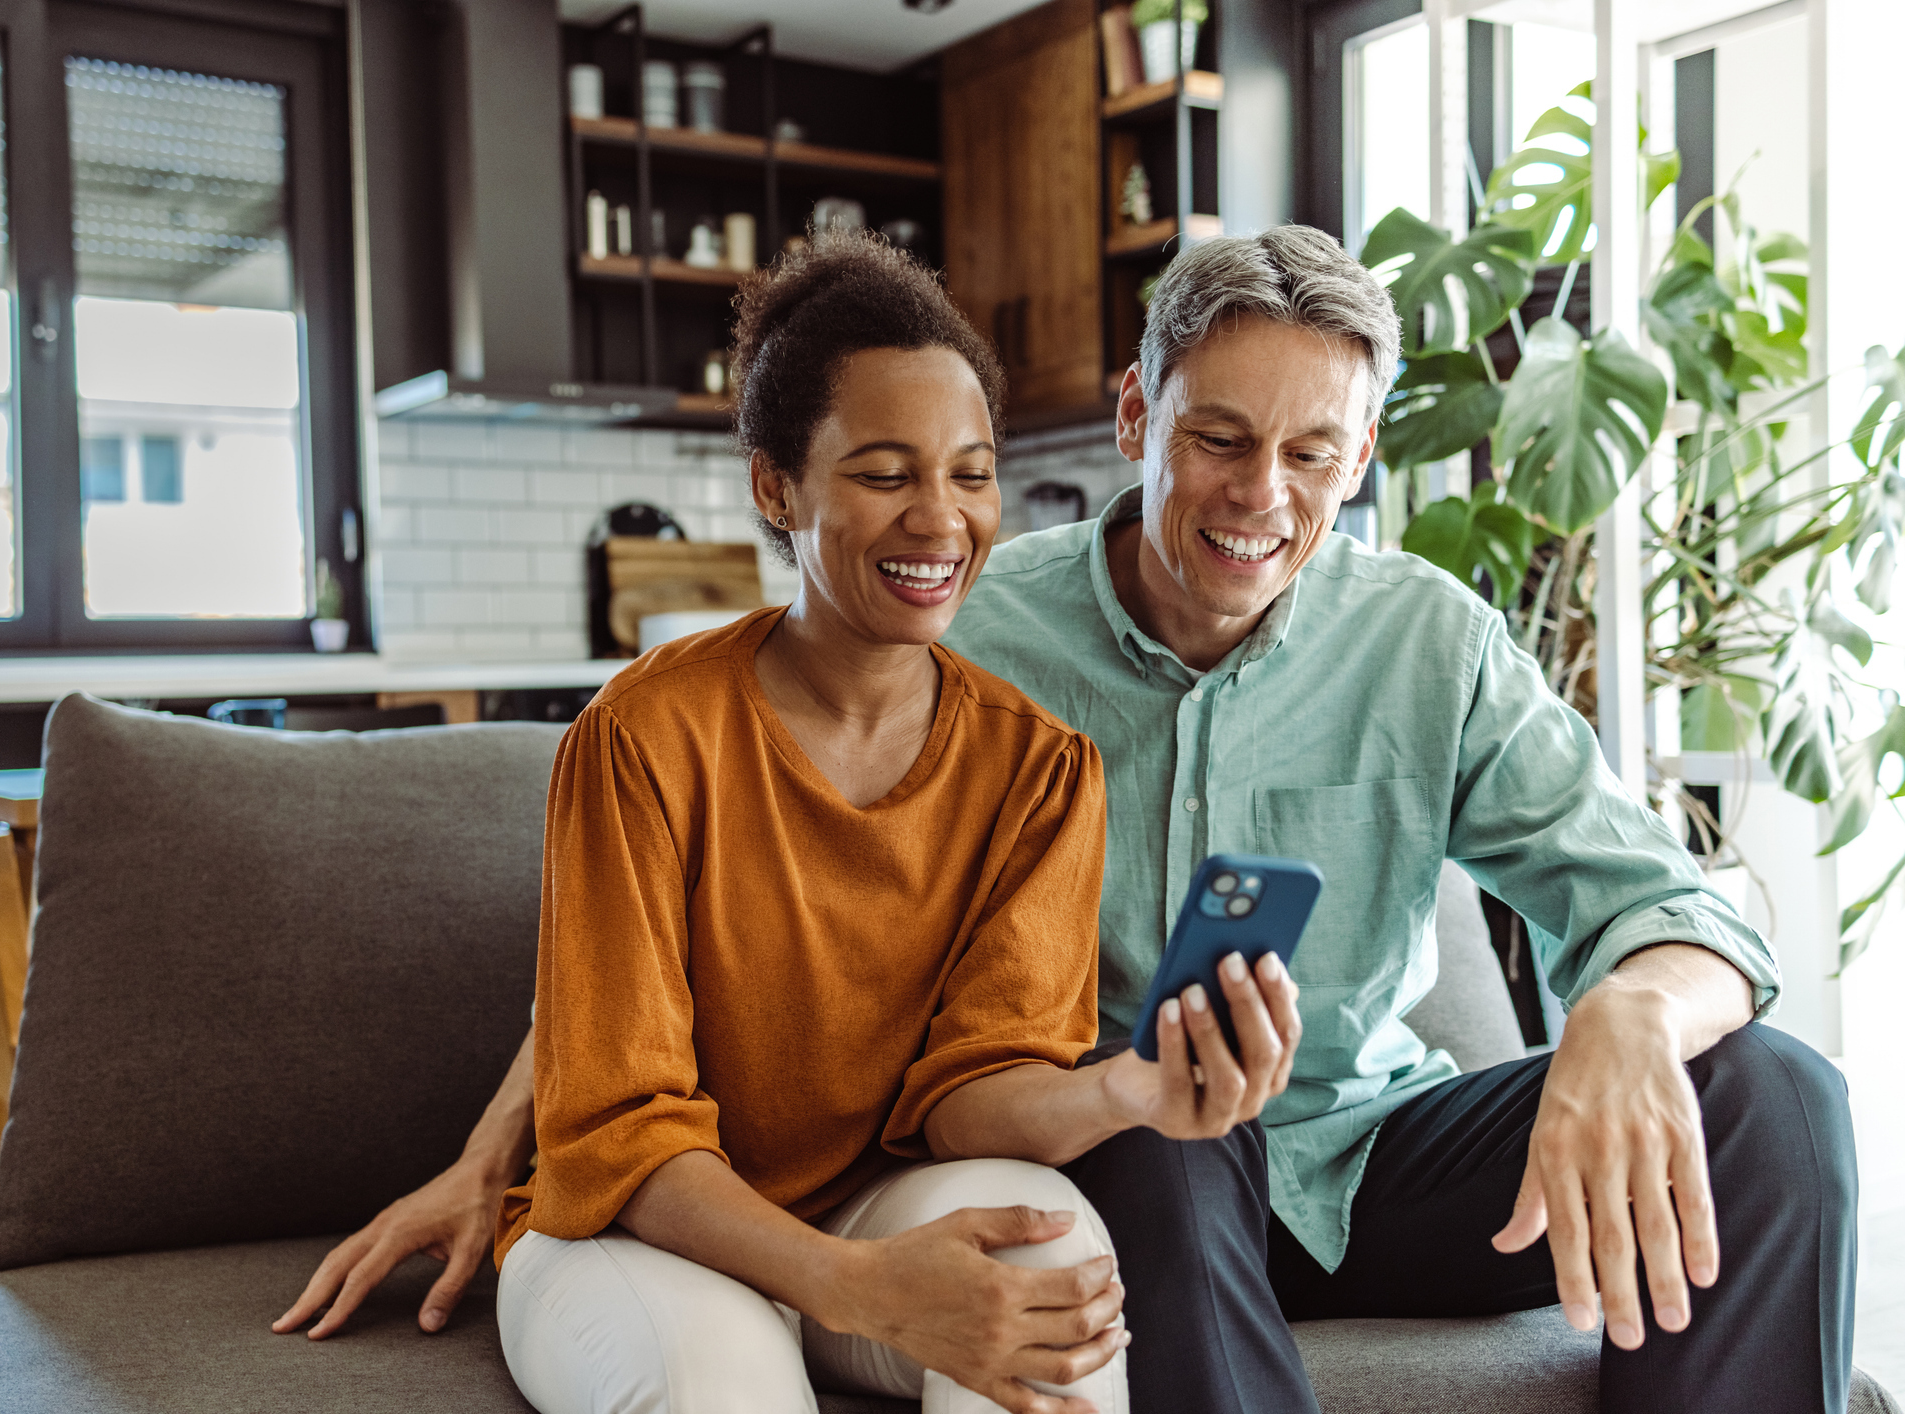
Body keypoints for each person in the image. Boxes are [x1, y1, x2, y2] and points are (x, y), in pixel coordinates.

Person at [274, 231, 1304, 1414]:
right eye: (882, 473)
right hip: (640, 1227)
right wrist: (850, 1286)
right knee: (721, 1383)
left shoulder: (1038, 767)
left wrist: (1129, 1090)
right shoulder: (639, 736)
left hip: (873, 1202)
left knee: (1053, 1268)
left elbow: (974, 1088)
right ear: (776, 487)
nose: (940, 518)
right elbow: (614, 1125)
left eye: (970, 474)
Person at [937, 226, 1856, 1414]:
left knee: (1774, 1096)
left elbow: (1667, 906)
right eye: (1217, 438)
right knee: (1162, 1120)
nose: (1259, 495)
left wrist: (1628, 1009)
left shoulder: (1427, 640)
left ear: (1361, 452)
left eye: (1311, 452)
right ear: (1134, 414)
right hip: (1131, 1170)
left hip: (1374, 1155)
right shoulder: (974, 641)